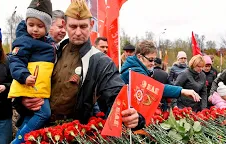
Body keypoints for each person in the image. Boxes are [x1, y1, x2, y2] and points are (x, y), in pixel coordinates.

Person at [15, 0, 144, 130]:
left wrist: (134, 115)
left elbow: (116, 93)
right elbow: (20, 77)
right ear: (65, 25)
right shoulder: (50, 52)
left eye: (83, 26)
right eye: (73, 26)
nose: (77, 32)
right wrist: (22, 101)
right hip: (39, 130)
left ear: (91, 24)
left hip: (74, 135)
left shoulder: (99, 61)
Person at [8, 0, 55, 144]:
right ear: (26, 23)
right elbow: (15, 61)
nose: (35, 29)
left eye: (40, 26)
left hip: (39, 86)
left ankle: (19, 137)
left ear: (47, 27)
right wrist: (24, 76)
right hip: (31, 86)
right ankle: (18, 142)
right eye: (31, 25)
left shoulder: (47, 42)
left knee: (31, 116)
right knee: (44, 113)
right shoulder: (24, 41)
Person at [120, 40, 201, 107]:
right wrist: (181, 91)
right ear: (139, 57)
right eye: (150, 60)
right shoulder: (134, 71)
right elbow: (154, 87)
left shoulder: (137, 68)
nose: (153, 63)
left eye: (154, 60)